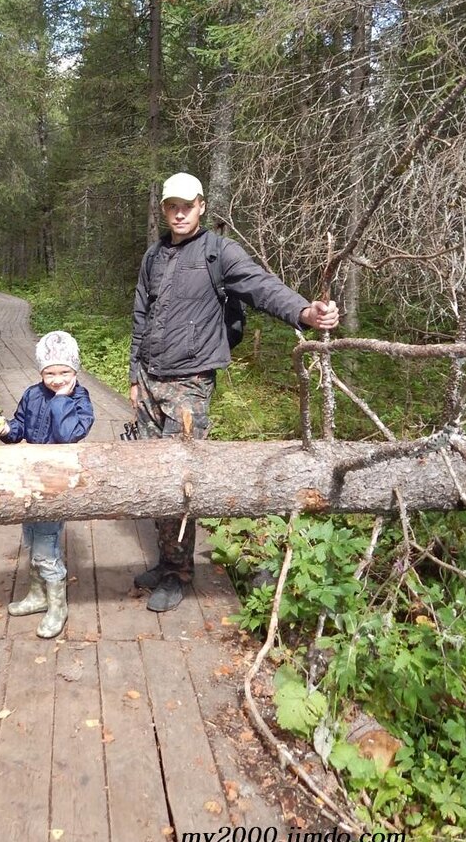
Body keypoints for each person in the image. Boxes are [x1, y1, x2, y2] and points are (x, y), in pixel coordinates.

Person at [129, 172, 339, 613]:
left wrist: (303, 311)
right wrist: (134, 375)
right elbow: (141, 314)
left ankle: (179, 574)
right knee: (152, 479)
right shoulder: (154, 256)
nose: (180, 212)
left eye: (187, 204)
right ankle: (167, 560)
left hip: (190, 383)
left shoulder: (218, 252)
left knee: (179, 482)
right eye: (172, 206)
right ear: (164, 209)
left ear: (201, 205)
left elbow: (261, 287)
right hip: (149, 379)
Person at [0, 330, 94, 637]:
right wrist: (6, 428)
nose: (57, 378)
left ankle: (57, 606)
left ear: (75, 371)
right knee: (32, 541)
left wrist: (61, 400)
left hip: (55, 483)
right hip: (29, 480)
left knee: (46, 548)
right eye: (50, 373)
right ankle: (36, 596)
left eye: (64, 372)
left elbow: (69, 435)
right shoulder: (32, 394)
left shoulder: (80, 400)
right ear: (41, 372)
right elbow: (20, 428)